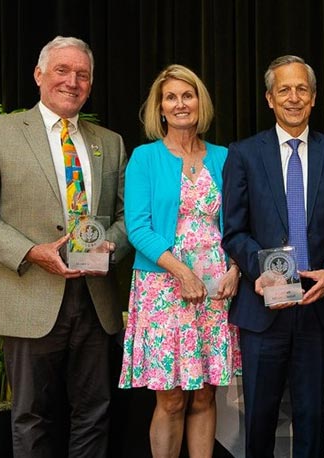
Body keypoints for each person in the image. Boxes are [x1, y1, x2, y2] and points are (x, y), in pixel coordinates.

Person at [0, 36, 129, 457]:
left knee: (95, 412)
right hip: (28, 294)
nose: (72, 81)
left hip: (94, 298)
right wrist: (31, 252)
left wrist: (111, 246)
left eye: (82, 74)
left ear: (90, 83)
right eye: (62, 70)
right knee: (31, 416)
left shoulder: (111, 141)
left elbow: (127, 217)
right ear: (38, 75)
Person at [221, 55, 324, 458]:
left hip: (318, 308)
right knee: (259, 422)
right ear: (269, 98)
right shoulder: (244, 154)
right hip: (262, 310)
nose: (293, 97)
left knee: (311, 422)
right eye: (284, 89)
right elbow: (234, 231)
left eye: (302, 89)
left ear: (313, 97)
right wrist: (260, 272)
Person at [117, 64, 241, 457]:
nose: (180, 103)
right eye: (170, 97)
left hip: (215, 289)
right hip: (163, 288)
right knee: (170, 399)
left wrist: (236, 268)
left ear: (200, 102)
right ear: (160, 108)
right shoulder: (145, 158)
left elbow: (240, 221)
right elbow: (137, 227)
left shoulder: (224, 157)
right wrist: (183, 272)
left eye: (188, 95)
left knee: (205, 395)